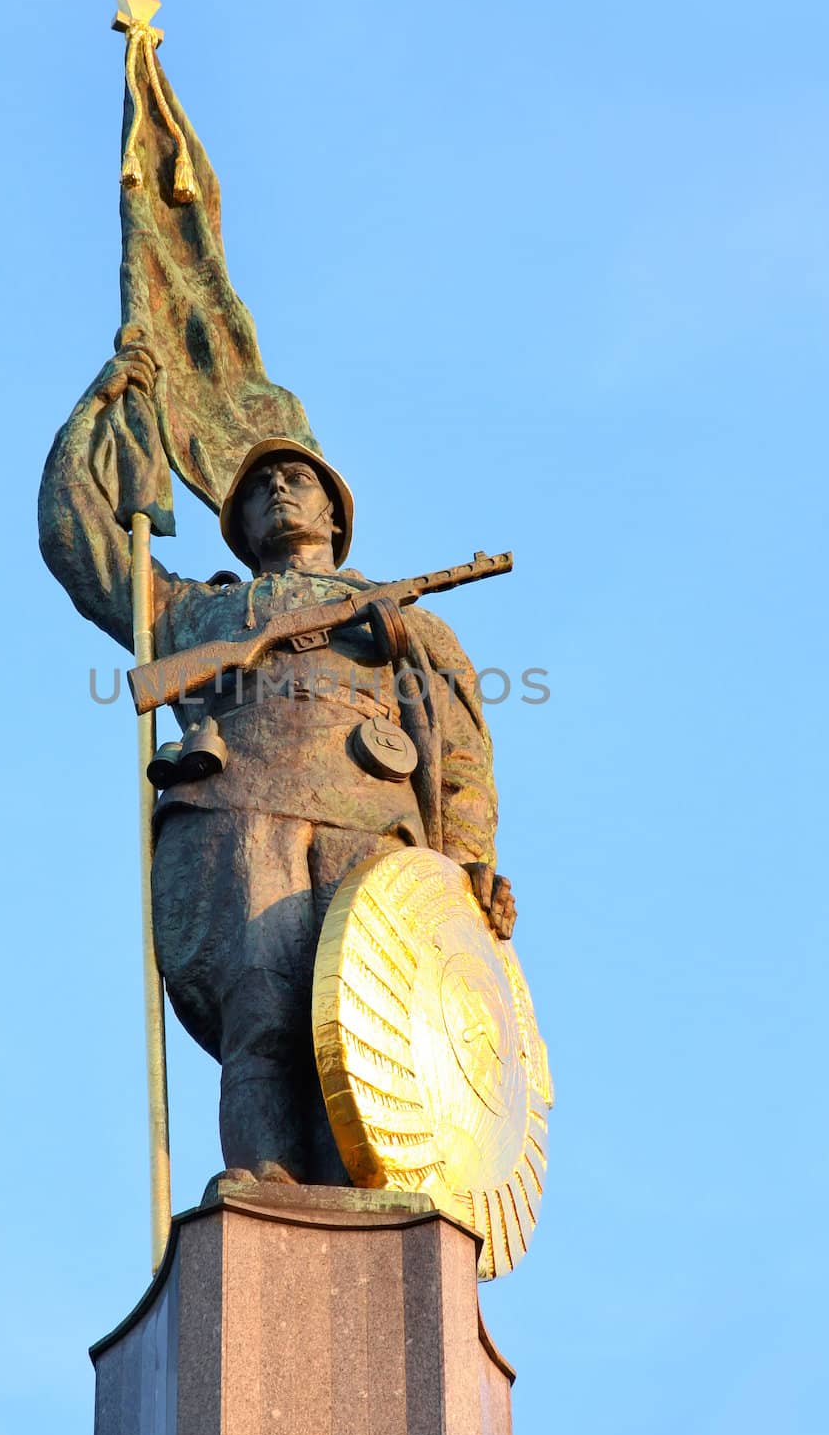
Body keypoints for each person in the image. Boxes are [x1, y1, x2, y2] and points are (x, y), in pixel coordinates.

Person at [40, 344, 516, 1186]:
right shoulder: (200, 612)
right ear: (241, 526)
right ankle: (266, 1183)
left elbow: (462, 753)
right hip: (242, 806)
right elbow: (80, 543)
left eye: (298, 481)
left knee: (371, 1023)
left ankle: (370, 1197)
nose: (278, 491)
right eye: (259, 487)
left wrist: (473, 860)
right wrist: (96, 413)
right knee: (259, 1010)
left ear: (335, 514)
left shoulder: (409, 622)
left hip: (373, 817)